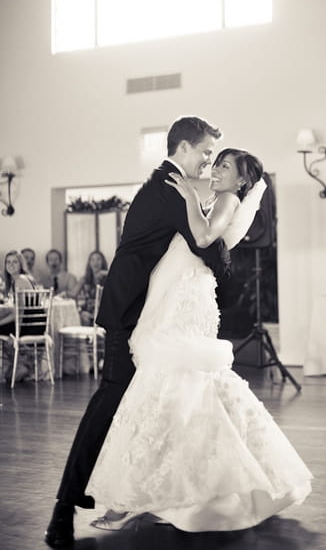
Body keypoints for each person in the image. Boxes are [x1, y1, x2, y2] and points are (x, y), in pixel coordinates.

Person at [86, 148, 312, 532]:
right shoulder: (217, 198)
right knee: (178, 388)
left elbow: (205, 236)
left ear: (241, 180)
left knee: (167, 383)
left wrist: (190, 198)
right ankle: (168, 492)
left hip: (184, 300)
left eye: (225, 165)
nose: (216, 169)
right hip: (175, 293)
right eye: (217, 162)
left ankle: (135, 496)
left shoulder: (225, 199)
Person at [45, 116, 229, 548]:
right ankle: (63, 508)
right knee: (108, 405)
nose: (208, 160)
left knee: (152, 406)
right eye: (204, 151)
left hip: (148, 319)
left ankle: (151, 496)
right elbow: (208, 249)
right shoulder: (170, 189)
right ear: (183, 148)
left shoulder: (170, 185)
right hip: (127, 317)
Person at [0, 250, 37, 335]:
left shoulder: (20, 280)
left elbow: (18, 313)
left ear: (21, 264)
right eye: (8, 262)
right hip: (26, 322)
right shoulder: (18, 280)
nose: (11, 265)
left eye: (15, 262)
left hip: (28, 326)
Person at [74, 251, 108, 326]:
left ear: (103, 262)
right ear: (89, 263)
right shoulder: (84, 279)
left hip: (104, 312)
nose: (95, 262)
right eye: (92, 260)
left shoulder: (108, 278)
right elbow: (74, 294)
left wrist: (104, 273)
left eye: (98, 259)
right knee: (84, 318)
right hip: (87, 312)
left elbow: (119, 279)